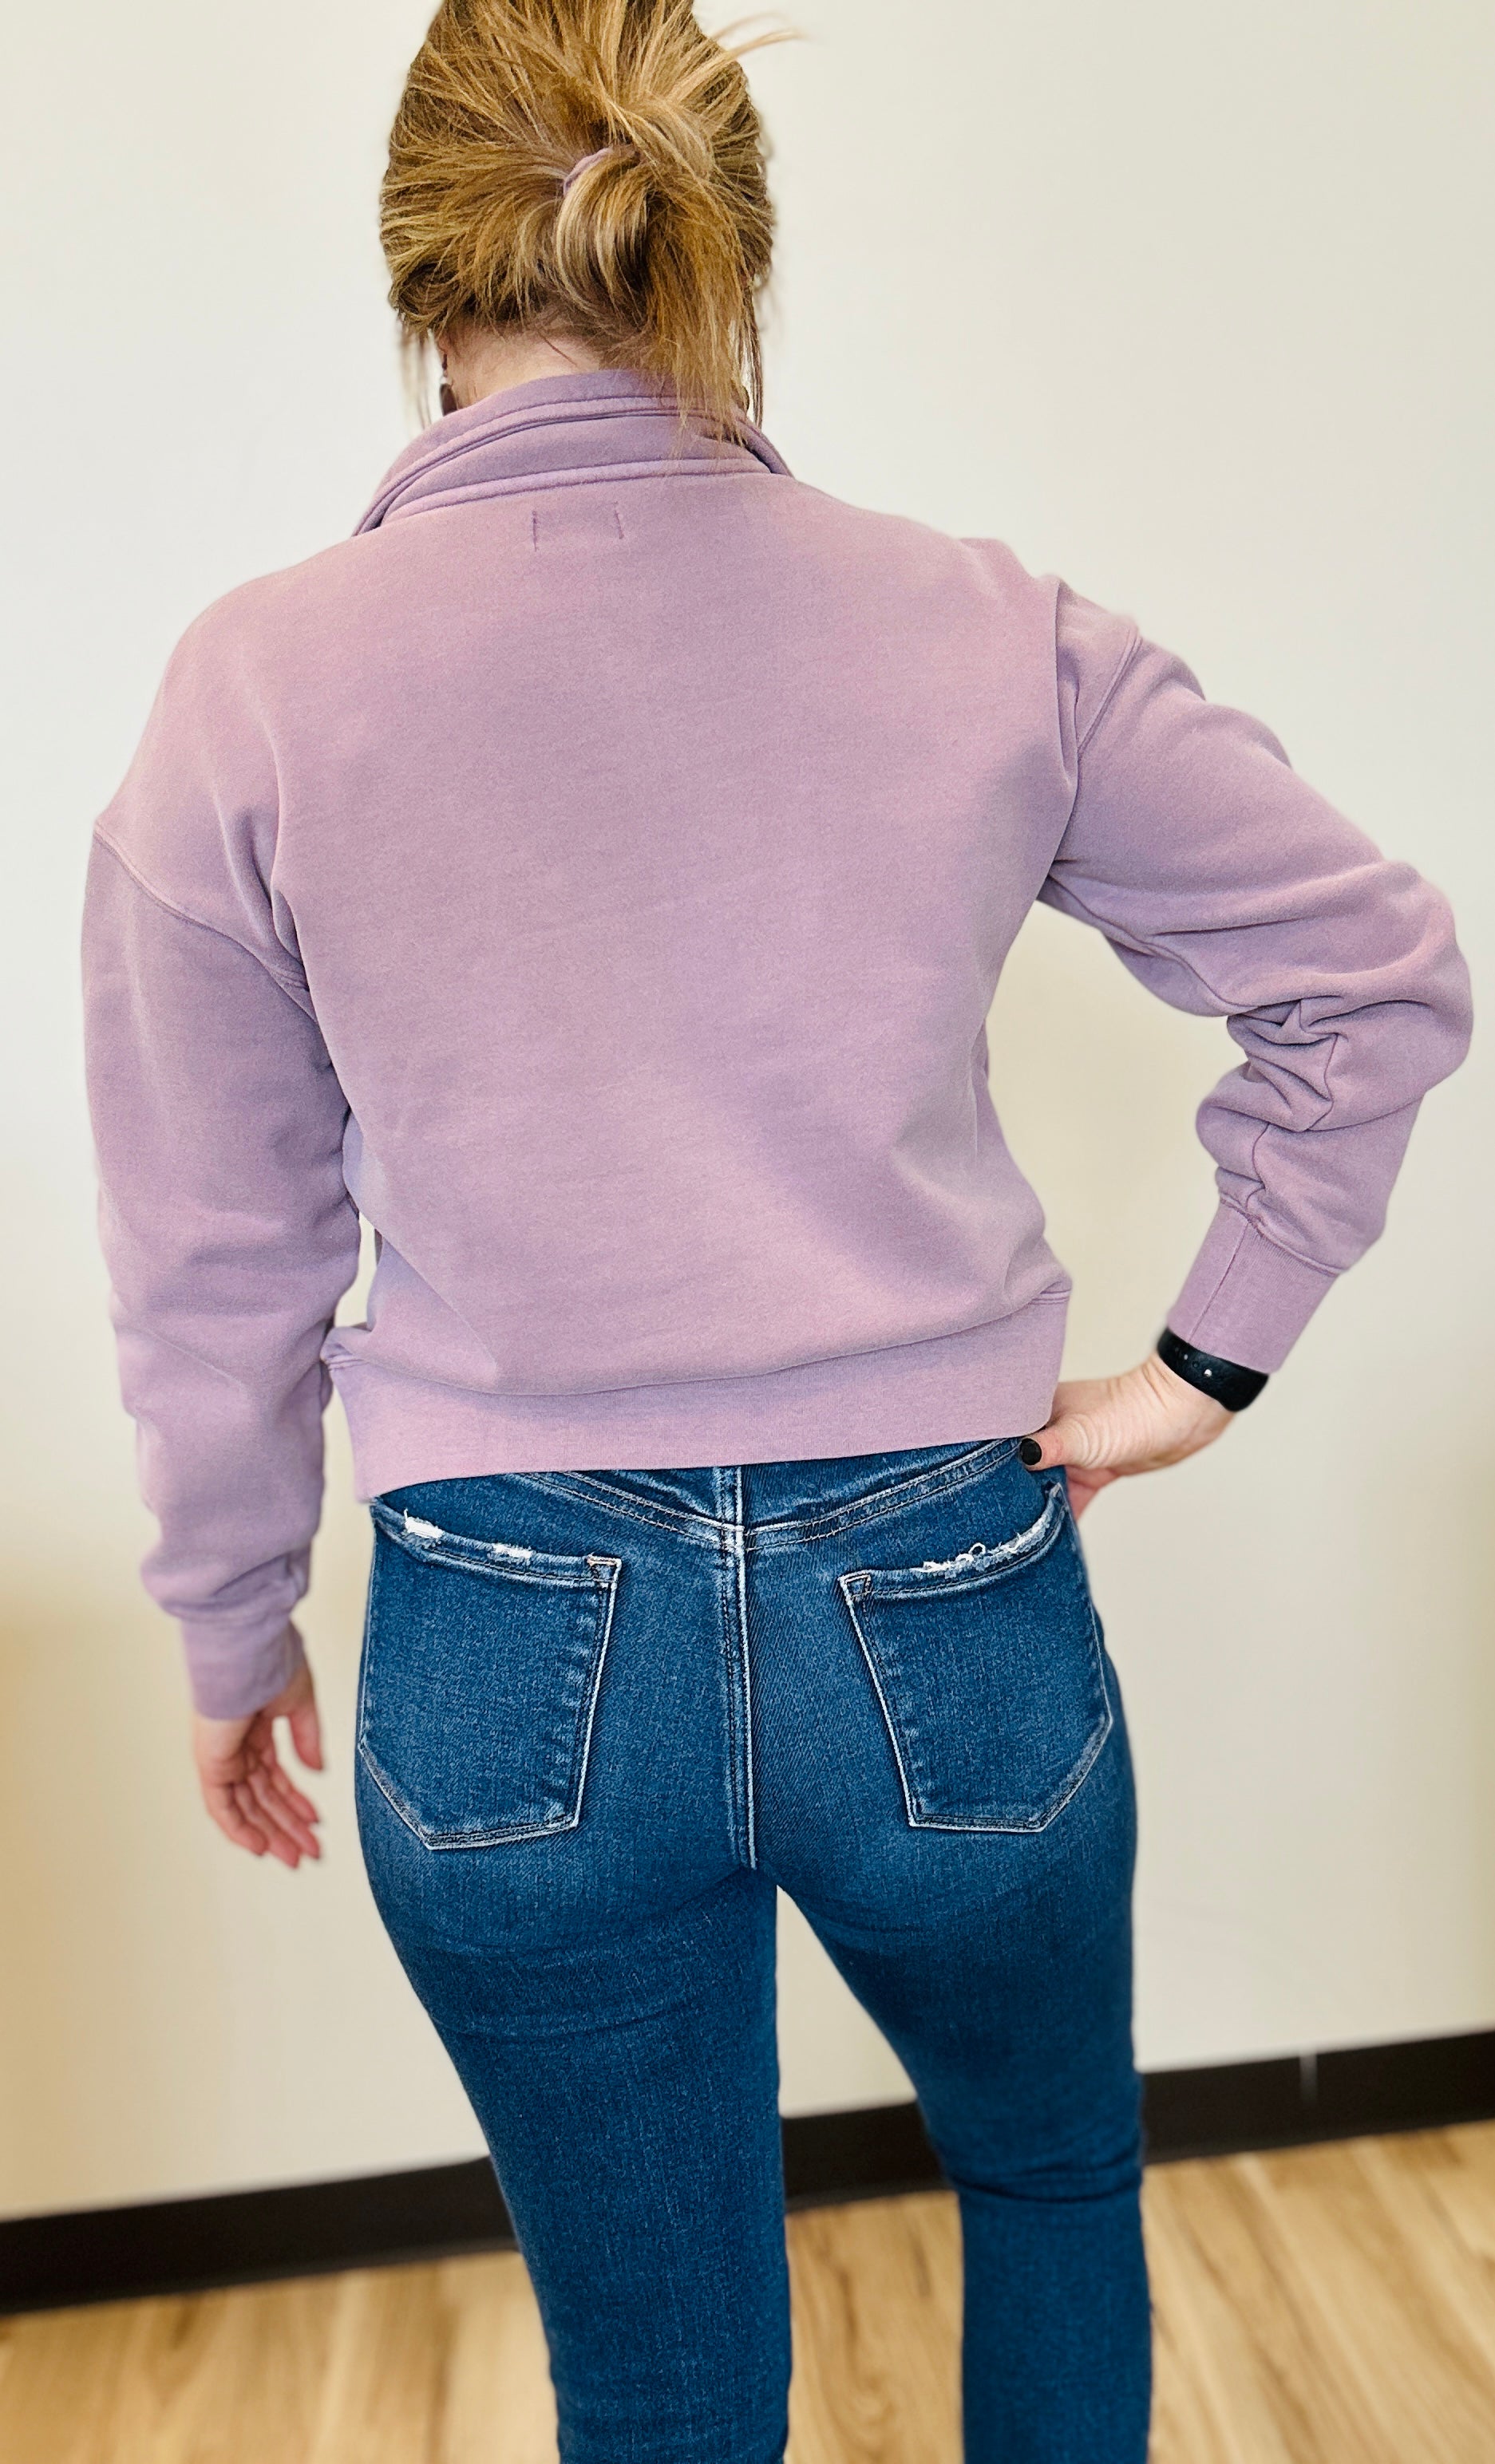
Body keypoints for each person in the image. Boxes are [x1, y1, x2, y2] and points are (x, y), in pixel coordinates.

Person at [81, 2, 1471, 2457]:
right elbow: (1370, 974)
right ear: (730, 253)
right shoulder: (976, 624)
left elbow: (221, 1249)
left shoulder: (254, 692)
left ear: (418, 282)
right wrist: (1199, 1368)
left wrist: (225, 1620)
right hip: (942, 1593)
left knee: (661, 2377)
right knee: (1046, 2191)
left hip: (503, 1650)